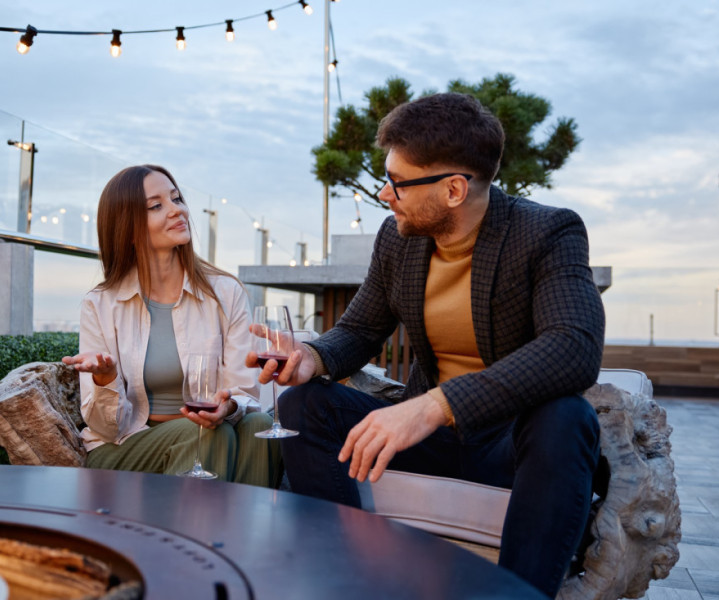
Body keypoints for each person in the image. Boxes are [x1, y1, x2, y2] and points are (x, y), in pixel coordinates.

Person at [248, 93, 605, 597]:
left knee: (566, 418)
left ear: (455, 189)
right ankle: (347, 578)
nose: (383, 193)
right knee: (305, 404)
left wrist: (434, 407)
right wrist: (313, 356)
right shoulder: (398, 238)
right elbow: (359, 330)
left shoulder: (547, 232)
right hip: (430, 442)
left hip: (509, 441)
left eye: (396, 182)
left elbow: (574, 348)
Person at [63, 164, 279, 487]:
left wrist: (228, 405)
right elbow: (108, 428)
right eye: (157, 206)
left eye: (176, 199)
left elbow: (245, 391)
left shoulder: (225, 292)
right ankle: (197, 534)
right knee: (206, 433)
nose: (177, 210)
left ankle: (240, 534)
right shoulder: (101, 304)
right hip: (125, 446)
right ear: (129, 228)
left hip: (208, 432)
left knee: (260, 425)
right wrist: (105, 379)